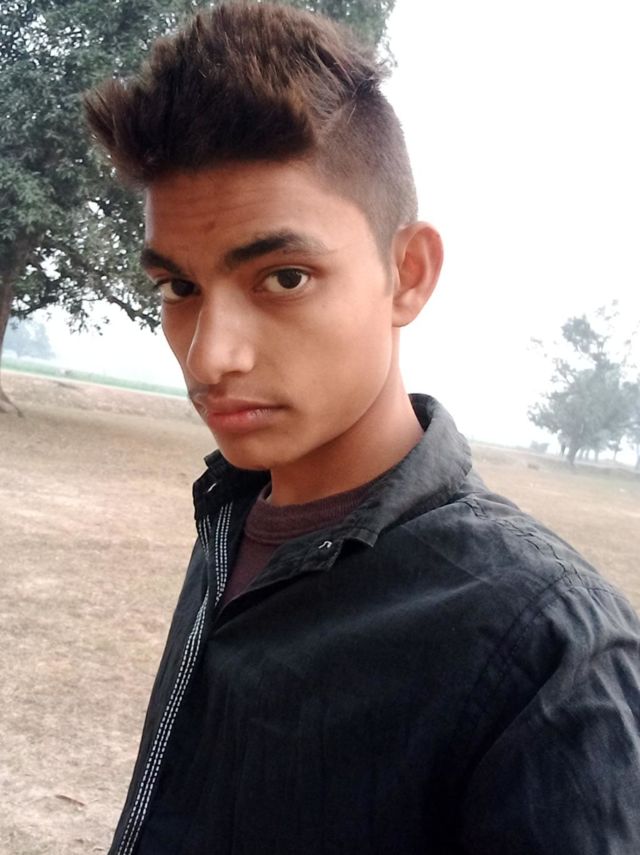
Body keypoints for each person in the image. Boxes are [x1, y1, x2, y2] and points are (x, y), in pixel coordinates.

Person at [84, 4, 640, 853]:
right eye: (180, 288)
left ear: (407, 274)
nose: (209, 356)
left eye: (285, 276)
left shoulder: (551, 652)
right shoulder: (234, 516)